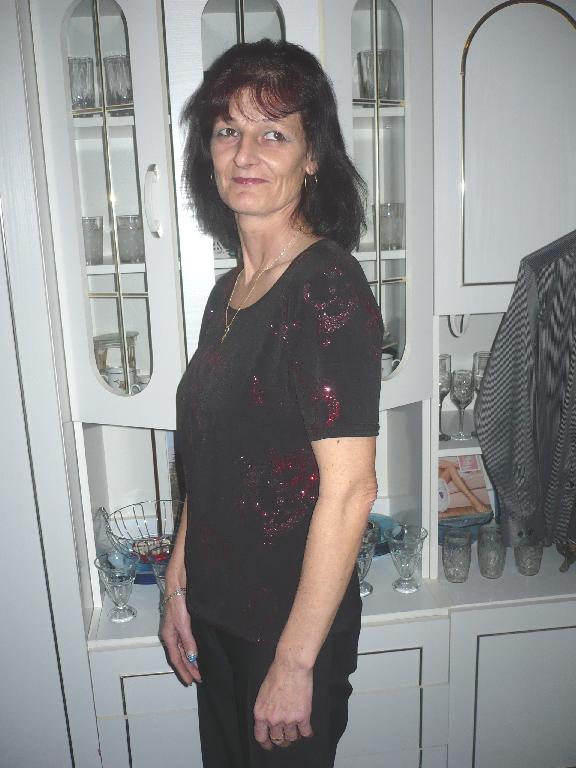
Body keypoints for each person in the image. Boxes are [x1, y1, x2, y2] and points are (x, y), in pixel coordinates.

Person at [160, 39, 383, 768]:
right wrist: (177, 583)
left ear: (312, 155)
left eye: (273, 133)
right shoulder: (227, 293)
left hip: (287, 632)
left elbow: (351, 491)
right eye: (228, 129)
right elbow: (207, 459)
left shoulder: (326, 287)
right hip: (217, 614)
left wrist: (294, 664)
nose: (245, 152)